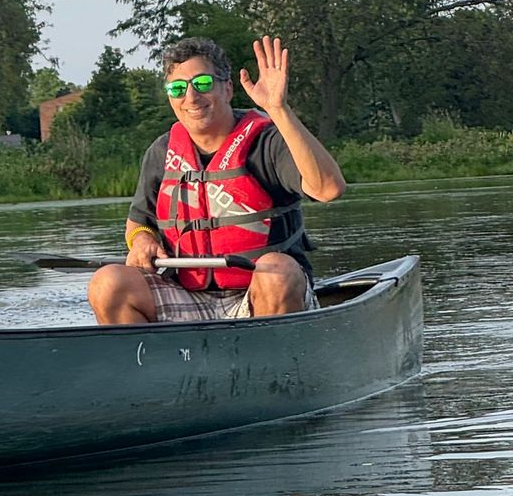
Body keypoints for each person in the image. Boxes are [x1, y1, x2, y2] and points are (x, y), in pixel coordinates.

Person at [87, 35, 344, 326]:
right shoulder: (162, 151)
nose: (191, 97)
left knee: (278, 270)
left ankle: (270, 366)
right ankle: (150, 365)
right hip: (188, 296)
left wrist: (278, 110)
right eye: (178, 88)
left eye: (203, 84)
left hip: (263, 294)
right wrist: (142, 239)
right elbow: (139, 221)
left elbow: (329, 189)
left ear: (228, 88)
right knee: (107, 282)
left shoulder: (267, 143)